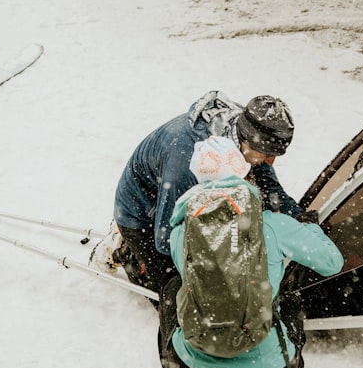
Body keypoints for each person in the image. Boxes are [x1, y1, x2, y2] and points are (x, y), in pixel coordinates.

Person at [157, 137, 344, 368]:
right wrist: (305, 227)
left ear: (198, 178)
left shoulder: (181, 231)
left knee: (174, 290)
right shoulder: (272, 224)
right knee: (289, 302)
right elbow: (331, 262)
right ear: (243, 173)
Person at [91, 91, 305, 297]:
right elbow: (167, 240)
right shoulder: (188, 162)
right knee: (178, 296)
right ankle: (126, 250)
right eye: (267, 154)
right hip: (144, 214)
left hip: (180, 196)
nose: (271, 161)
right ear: (247, 140)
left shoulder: (248, 128)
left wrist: (299, 219)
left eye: (276, 154)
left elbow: (266, 182)